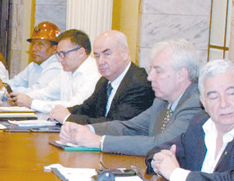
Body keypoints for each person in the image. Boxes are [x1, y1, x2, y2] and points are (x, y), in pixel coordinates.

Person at [59, 39, 203, 155]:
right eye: (151, 70)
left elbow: (160, 144)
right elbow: (128, 127)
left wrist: (99, 142)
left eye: (158, 71)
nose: (150, 77)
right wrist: (86, 130)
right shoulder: (161, 102)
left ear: (181, 74)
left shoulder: (196, 104)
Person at [53, 30, 152, 123]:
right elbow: (87, 108)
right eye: (97, 56)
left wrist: (67, 118)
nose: (100, 62)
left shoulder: (138, 83)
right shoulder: (104, 81)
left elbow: (115, 124)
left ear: (124, 53)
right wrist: (65, 111)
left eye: (107, 54)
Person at [12, 29, 99, 115]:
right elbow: (46, 93)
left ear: (81, 52)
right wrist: (20, 98)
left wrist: (32, 103)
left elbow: (74, 106)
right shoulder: (66, 71)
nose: (60, 60)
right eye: (58, 54)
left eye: (63, 54)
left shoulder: (94, 74)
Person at [4, 22, 64, 94]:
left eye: (41, 44)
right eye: (33, 43)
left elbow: (36, 92)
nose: (34, 48)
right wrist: (3, 85)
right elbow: (16, 82)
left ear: (54, 48)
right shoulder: (34, 65)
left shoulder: (56, 67)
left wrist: (8, 88)